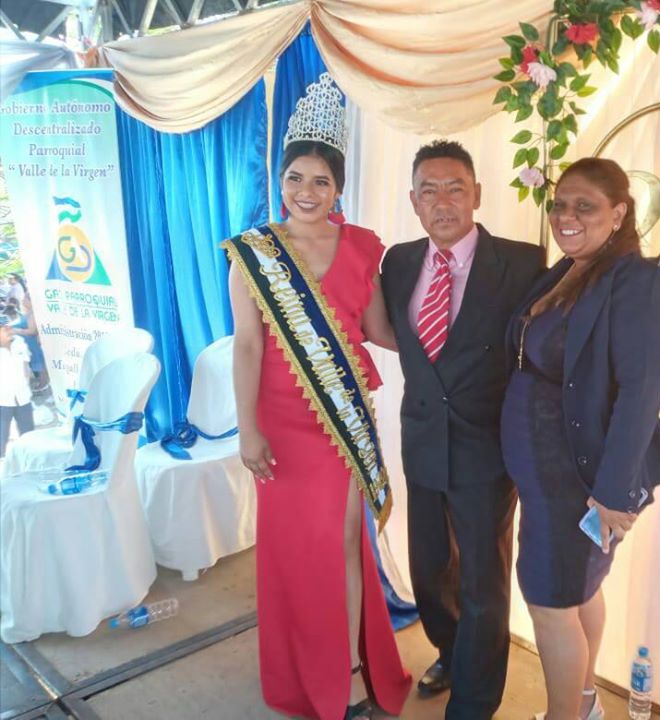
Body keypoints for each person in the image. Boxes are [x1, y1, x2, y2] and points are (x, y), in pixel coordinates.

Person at [224, 74, 410, 720]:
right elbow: (247, 347)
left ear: (338, 188)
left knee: (344, 541)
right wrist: (247, 428)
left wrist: (452, 340)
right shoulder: (252, 255)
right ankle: (304, 669)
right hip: (279, 426)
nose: (306, 191)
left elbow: (379, 330)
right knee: (297, 554)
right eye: (295, 178)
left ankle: (349, 671)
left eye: (321, 181)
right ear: (281, 181)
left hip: (342, 421)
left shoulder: (362, 247)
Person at [501, 157, 660, 719]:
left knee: (550, 602)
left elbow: (642, 390)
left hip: (577, 479)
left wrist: (610, 492)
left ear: (619, 212)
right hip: (544, 476)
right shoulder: (570, 269)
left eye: (585, 206)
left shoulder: (636, 280)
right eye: (560, 205)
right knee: (578, 591)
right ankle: (583, 706)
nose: (567, 216)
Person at [381, 140, 545, 718]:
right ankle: (452, 653)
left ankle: (475, 702)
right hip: (423, 437)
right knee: (429, 570)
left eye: (455, 188)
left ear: (477, 194)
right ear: (413, 201)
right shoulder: (399, 262)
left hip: (488, 445)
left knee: (483, 580)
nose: (442, 202)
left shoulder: (523, 263)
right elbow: (395, 335)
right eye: (429, 190)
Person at [0, 324, 34, 457]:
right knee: (2, 434)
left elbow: (26, 364)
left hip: (23, 396)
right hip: (3, 400)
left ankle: (29, 458)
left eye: (8, 327)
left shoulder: (19, 342)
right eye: (4, 329)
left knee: (28, 434)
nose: (9, 330)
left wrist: (26, 383)